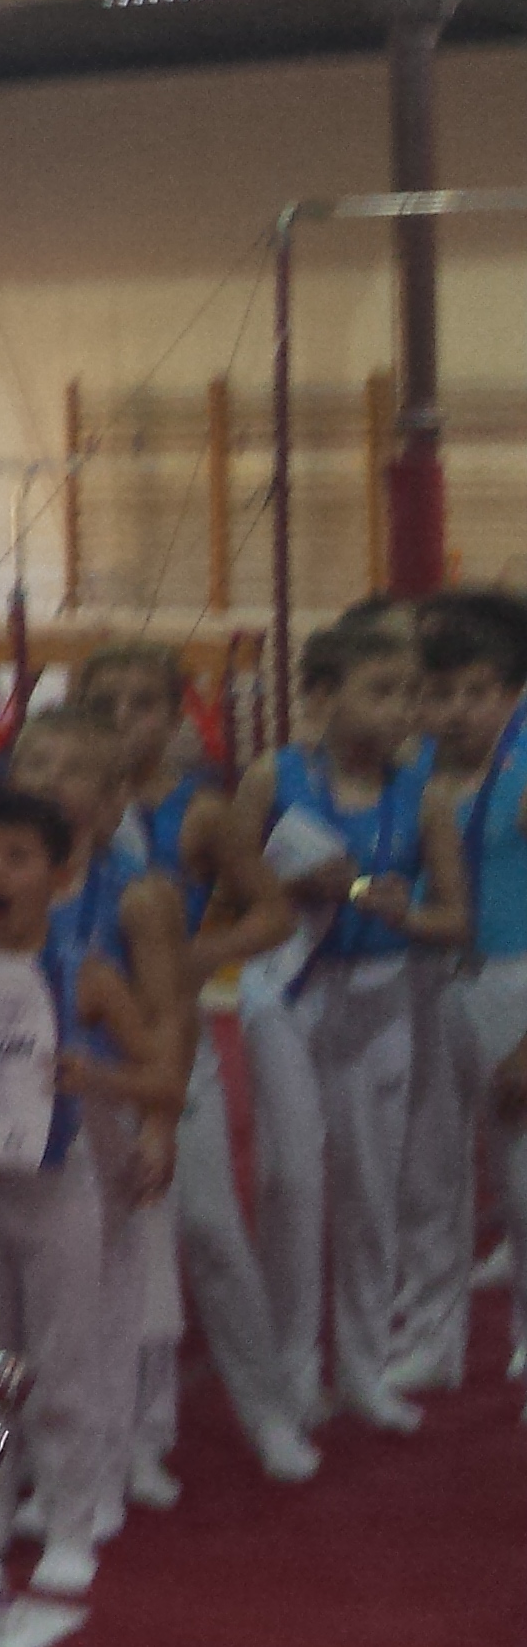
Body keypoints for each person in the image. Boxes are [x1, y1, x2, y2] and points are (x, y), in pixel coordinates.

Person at [0, 788, 182, 1601]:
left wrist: (97, 1076)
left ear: (59, 876)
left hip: (57, 1186)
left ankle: (70, 1523)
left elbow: (166, 1081)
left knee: (63, 1364)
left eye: (17, 859)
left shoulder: (85, 975)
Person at [73, 643, 320, 1482]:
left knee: (211, 1232)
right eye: (105, 702)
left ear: (177, 717)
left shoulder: (200, 813)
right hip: (94, 1058)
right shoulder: (58, 807)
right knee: (118, 1249)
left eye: (142, 704)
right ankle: (135, 1433)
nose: (123, 720)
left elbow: (274, 913)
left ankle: (270, 1413)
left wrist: (195, 955)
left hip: (177, 1045)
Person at [233, 619, 440, 1434]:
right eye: (382, 692)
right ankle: (291, 1370)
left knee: (372, 1188)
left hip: (379, 989)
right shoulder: (272, 776)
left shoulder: (421, 793)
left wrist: (406, 909)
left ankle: (364, 1366)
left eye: (410, 695)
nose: (402, 711)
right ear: (321, 697)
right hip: (285, 988)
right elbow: (226, 893)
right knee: (291, 1183)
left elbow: (454, 912)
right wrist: (289, 890)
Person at [5, 708, 193, 1519]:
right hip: (23, 1119)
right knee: (43, 1304)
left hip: (113, 1105)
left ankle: (131, 1448)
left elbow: (170, 1016)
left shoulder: (139, 897)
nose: (49, 780)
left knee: (129, 1297)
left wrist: (160, 1125)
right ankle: (47, 1459)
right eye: (34, 764)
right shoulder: (1, 885)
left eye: (71, 768)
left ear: (114, 801)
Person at [395, 591, 527, 1397]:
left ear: (510, 693)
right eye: (440, 695)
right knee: (429, 1175)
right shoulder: (416, 771)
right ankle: (431, 1338)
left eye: (477, 693)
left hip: (514, 980)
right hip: (430, 978)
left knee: (523, 1176)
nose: (457, 711)